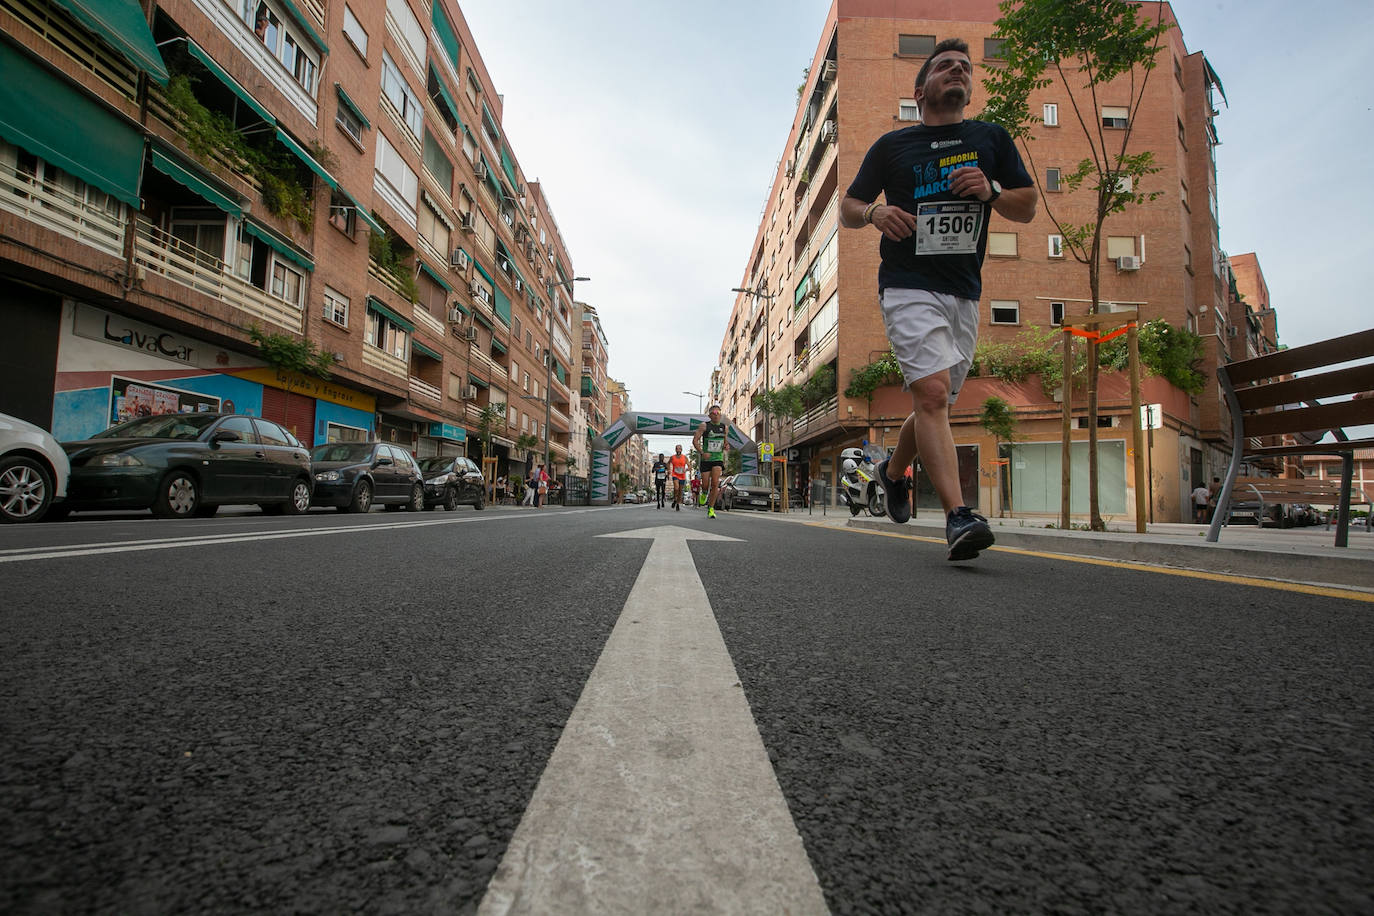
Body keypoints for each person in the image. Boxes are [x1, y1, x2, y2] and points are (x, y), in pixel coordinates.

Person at [841, 37, 1035, 561]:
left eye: (965, 68)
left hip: (964, 292)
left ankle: (891, 470)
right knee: (930, 396)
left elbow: (1028, 206)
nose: (958, 72)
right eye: (946, 66)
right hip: (906, 283)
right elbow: (849, 204)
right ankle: (957, 516)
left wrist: (992, 192)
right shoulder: (892, 146)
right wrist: (875, 214)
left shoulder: (991, 138)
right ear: (920, 87)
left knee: (936, 403)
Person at [693, 404, 731, 519]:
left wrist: (726, 446)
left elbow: (725, 442)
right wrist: (702, 452)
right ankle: (704, 492)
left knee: (715, 483)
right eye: (713, 413)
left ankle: (711, 508)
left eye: (718, 413)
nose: (716, 415)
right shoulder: (704, 426)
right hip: (706, 459)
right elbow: (695, 441)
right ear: (709, 415)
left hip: (717, 459)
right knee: (705, 485)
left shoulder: (725, 427)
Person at [668, 444, 689, 510]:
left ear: (681, 450)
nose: (678, 450)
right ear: (675, 450)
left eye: (679, 448)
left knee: (680, 491)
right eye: (677, 448)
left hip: (682, 476)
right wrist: (669, 470)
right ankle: (675, 499)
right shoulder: (672, 457)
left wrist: (686, 469)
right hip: (675, 474)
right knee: (676, 488)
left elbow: (689, 465)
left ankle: (677, 503)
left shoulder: (685, 457)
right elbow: (668, 463)